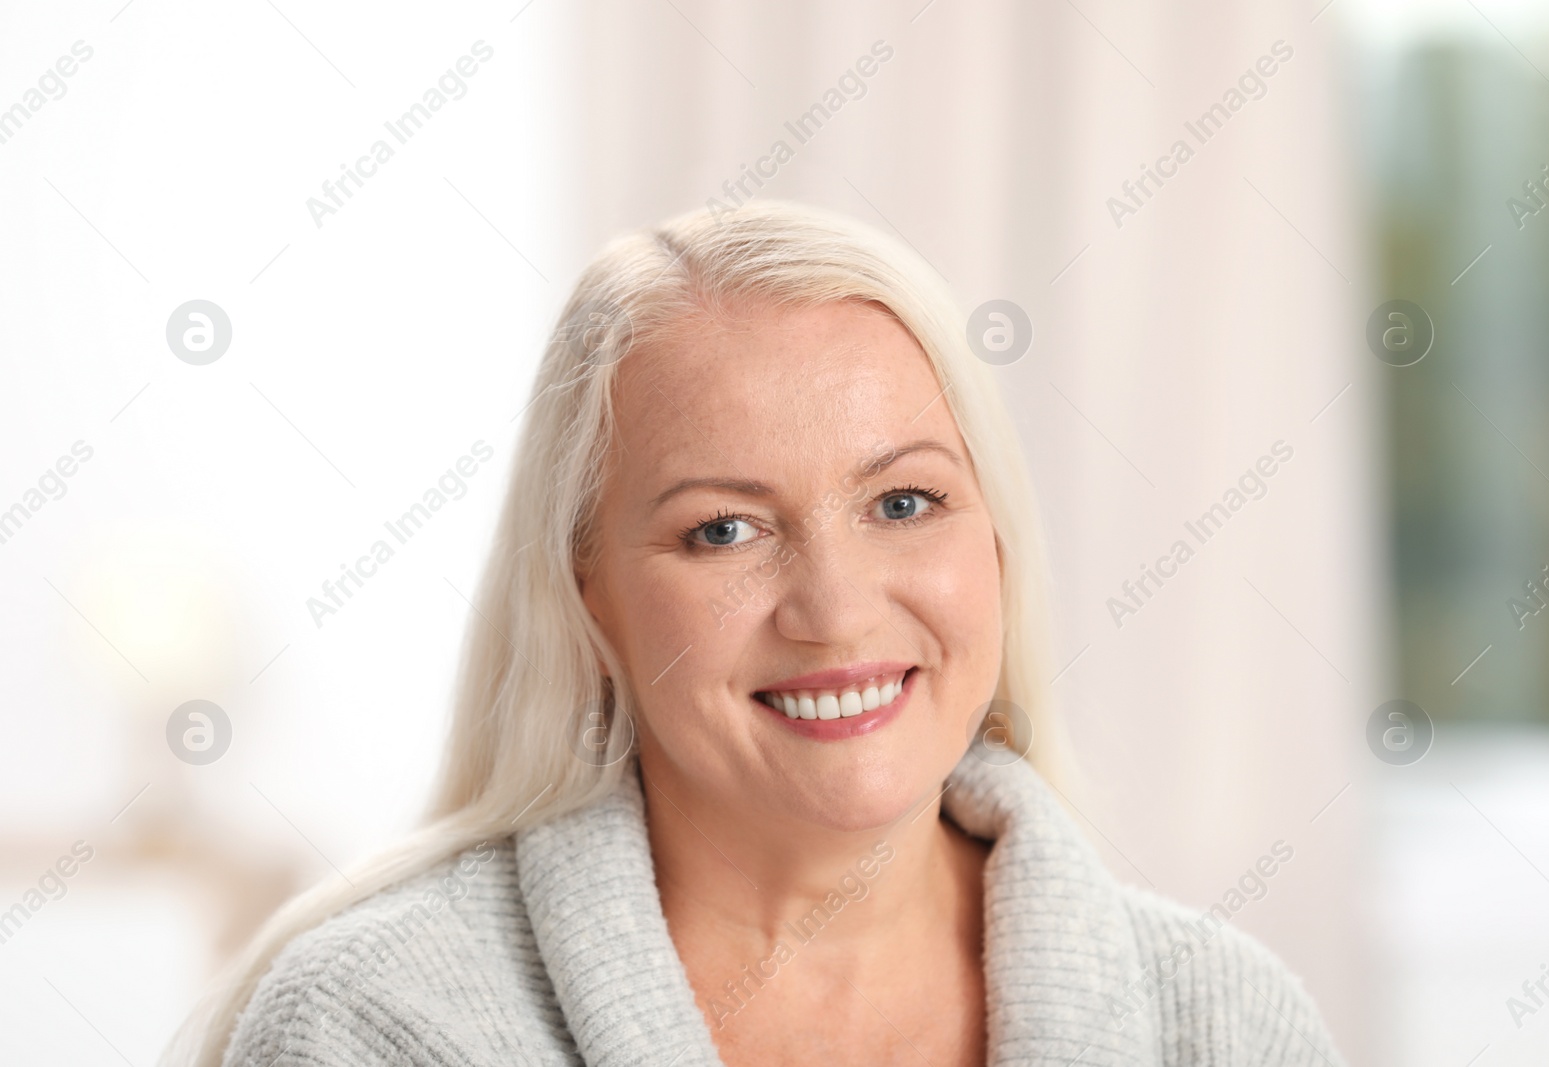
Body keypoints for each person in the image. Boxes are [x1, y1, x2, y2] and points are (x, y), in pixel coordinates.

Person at [163, 200, 1345, 1066]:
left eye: (902, 502)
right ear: (586, 599)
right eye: (723, 529)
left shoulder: (1225, 1022)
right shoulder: (384, 1024)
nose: (833, 608)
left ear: (995, 539)